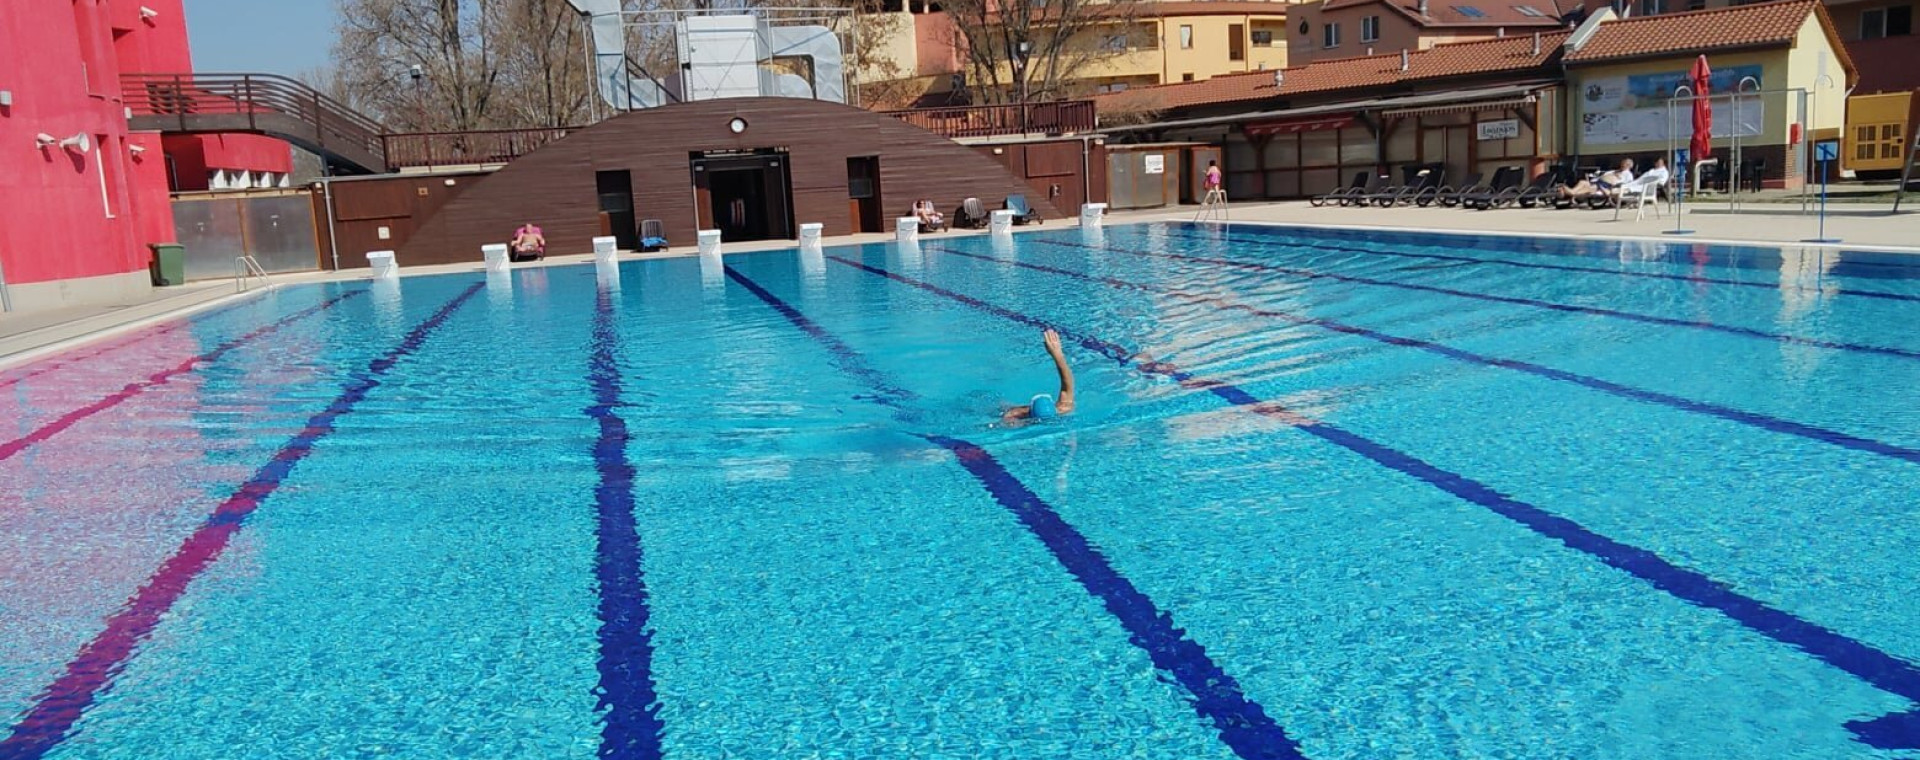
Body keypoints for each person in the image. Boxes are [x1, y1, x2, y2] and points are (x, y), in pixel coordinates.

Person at [1002, 328, 1076, 424]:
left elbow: (1006, 422)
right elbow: (1067, 384)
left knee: (1003, 407)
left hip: (1020, 418)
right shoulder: (1064, 408)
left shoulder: (1014, 414)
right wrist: (1057, 353)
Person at [1558, 158, 1635, 203]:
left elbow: (1628, 184)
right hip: (1598, 182)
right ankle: (1570, 192)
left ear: (1629, 166)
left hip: (1606, 186)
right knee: (1582, 182)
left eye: (1625, 164)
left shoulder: (1628, 174)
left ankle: (1568, 192)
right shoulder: (1615, 171)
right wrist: (1594, 177)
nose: (1622, 165)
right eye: (1622, 163)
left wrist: (1617, 181)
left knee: (1588, 189)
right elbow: (1602, 175)